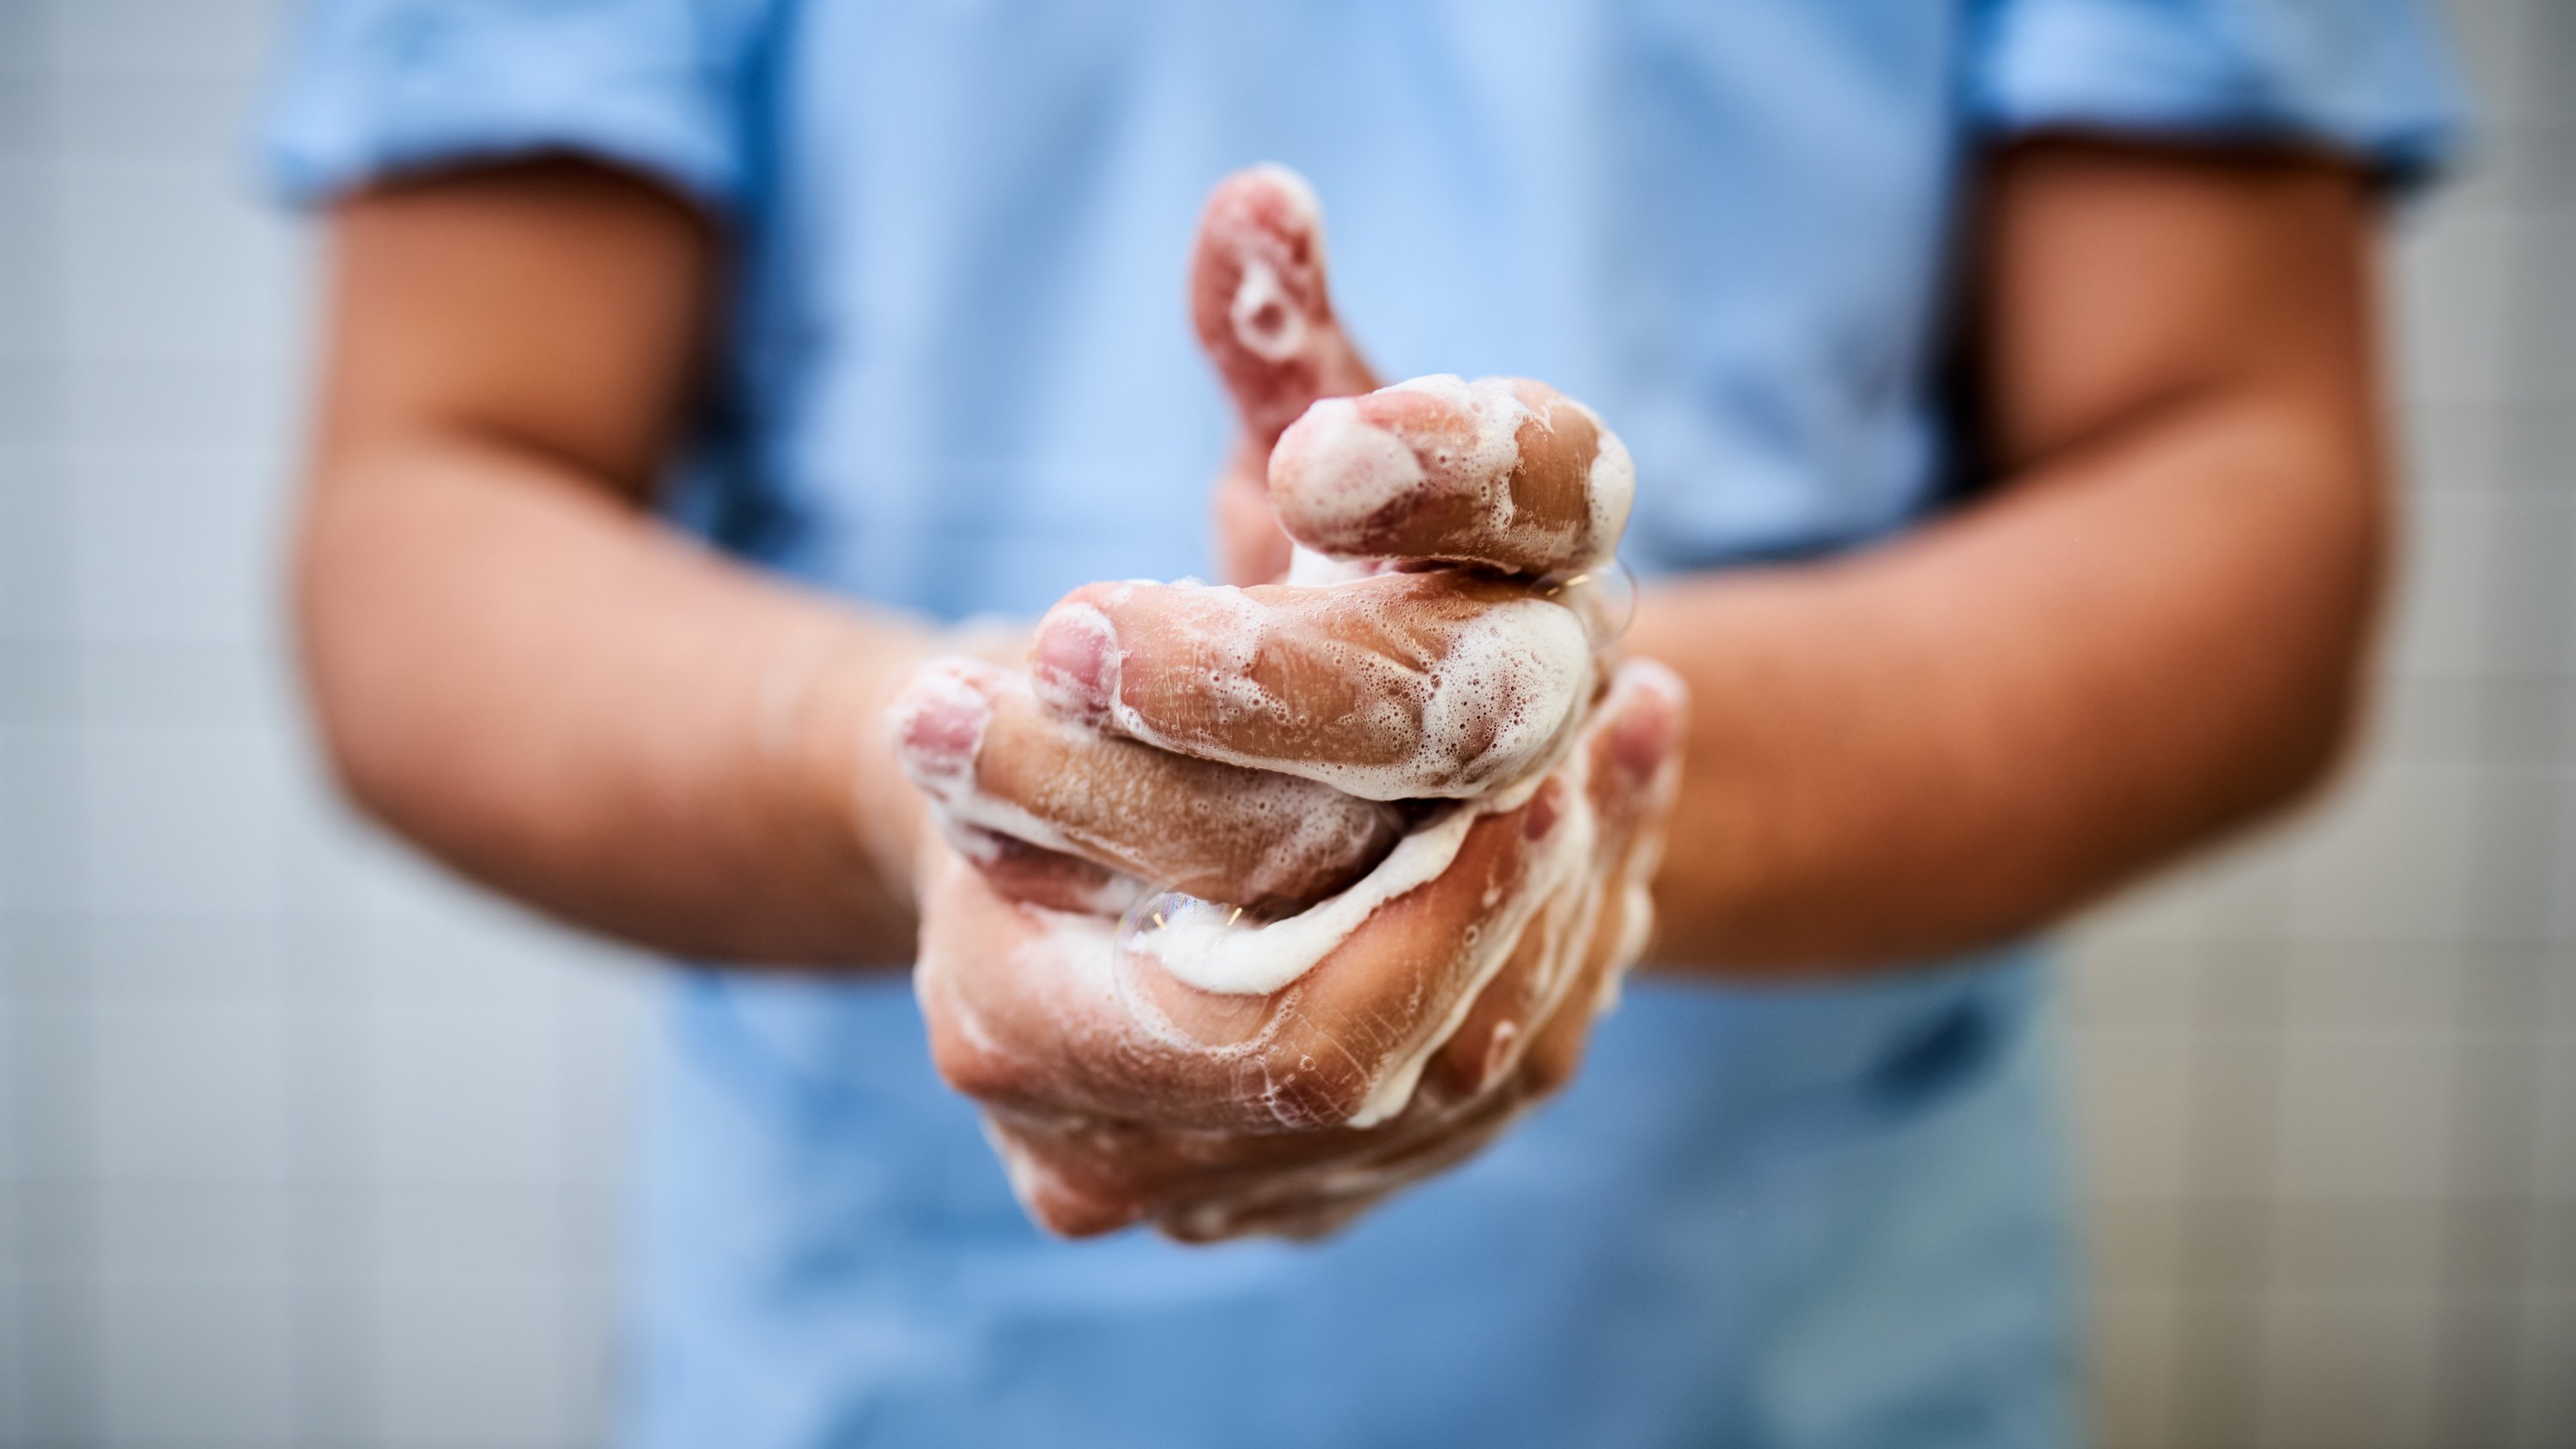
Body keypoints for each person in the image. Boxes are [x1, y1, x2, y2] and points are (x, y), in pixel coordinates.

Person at [262, 1, 2459, 1444]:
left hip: (1784, 1353)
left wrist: (1594, 781)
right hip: (898, 1370)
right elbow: (426, 507)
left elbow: (2242, 493)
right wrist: (917, 767)